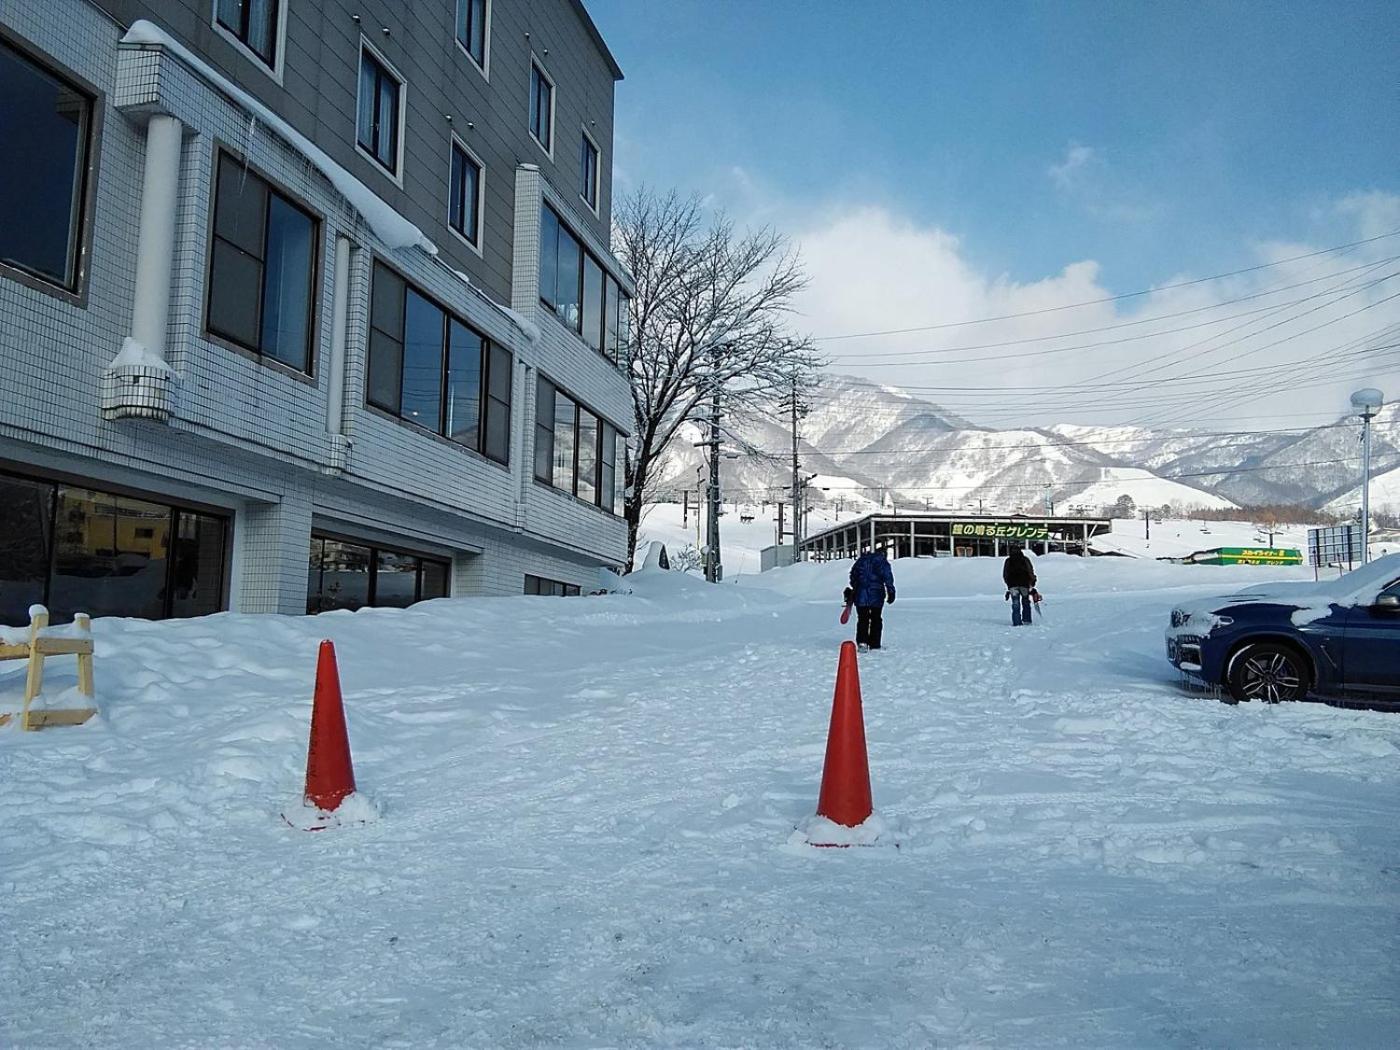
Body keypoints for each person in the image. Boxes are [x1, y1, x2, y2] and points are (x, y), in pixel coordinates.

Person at [849, 547, 896, 651]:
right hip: (876, 594)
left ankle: (862, 642)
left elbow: (853, 575)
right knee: (876, 618)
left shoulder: (861, 561)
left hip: (861, 594)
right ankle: (875, 643)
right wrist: (891, 591)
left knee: (862, 618)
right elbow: (888, 577)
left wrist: (855, 587)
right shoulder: (882, 562)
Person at [1002, 546, 1037, 626]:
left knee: (1015, 604)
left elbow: (1005, 574)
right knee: (1026, 602)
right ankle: (1027, 620)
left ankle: (1017, 622)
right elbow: (1030, 570)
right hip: (1024, 584)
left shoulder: (1008, 561)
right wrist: (1032, 581)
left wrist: (1008, 584)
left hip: (1012, 585)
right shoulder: (1025, 559)